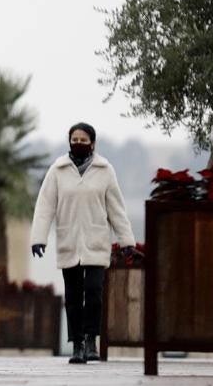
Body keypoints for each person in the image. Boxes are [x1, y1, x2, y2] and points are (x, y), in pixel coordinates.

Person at [30, 122, 138, 364]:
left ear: (93, 143)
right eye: (74, 140)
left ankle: (91, 340)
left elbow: (117, 209)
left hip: (96, 242)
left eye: (83, 140)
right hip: (69, 241)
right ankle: (77, 345)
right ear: (69, 142)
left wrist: (126, 241)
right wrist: (39, 238)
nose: (78, 144)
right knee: (73, 296)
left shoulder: (105, 170)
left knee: (94, 292)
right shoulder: (57, 170)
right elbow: (45, 205)